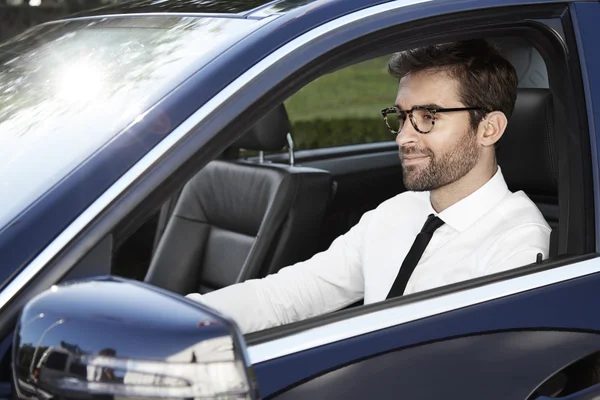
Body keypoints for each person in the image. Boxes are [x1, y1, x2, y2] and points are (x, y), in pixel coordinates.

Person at [186, 39, 551, 334]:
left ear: (489, 129)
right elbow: (286, 297)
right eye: (402, 116)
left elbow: (481, 372)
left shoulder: (518, 244)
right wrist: (184, 319)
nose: (404, 137)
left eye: (428, 117)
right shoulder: (394, 212)